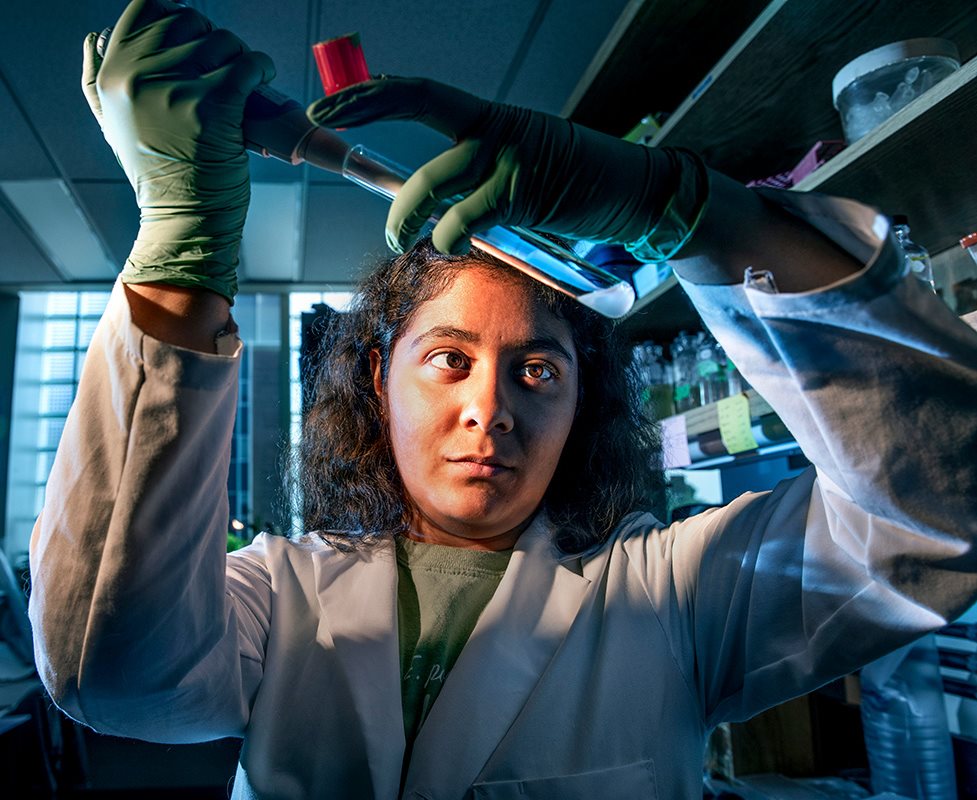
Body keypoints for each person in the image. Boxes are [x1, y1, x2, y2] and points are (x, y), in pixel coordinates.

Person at [27, 0, 977, 798]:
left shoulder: (676, 594)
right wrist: (180, 247)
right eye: (446, 359)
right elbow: (107, 673)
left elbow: (936, 513)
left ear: (580, 408)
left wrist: (697, 210)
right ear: (377, 384)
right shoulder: (278, 596)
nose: (492, 409)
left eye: (537, 371)